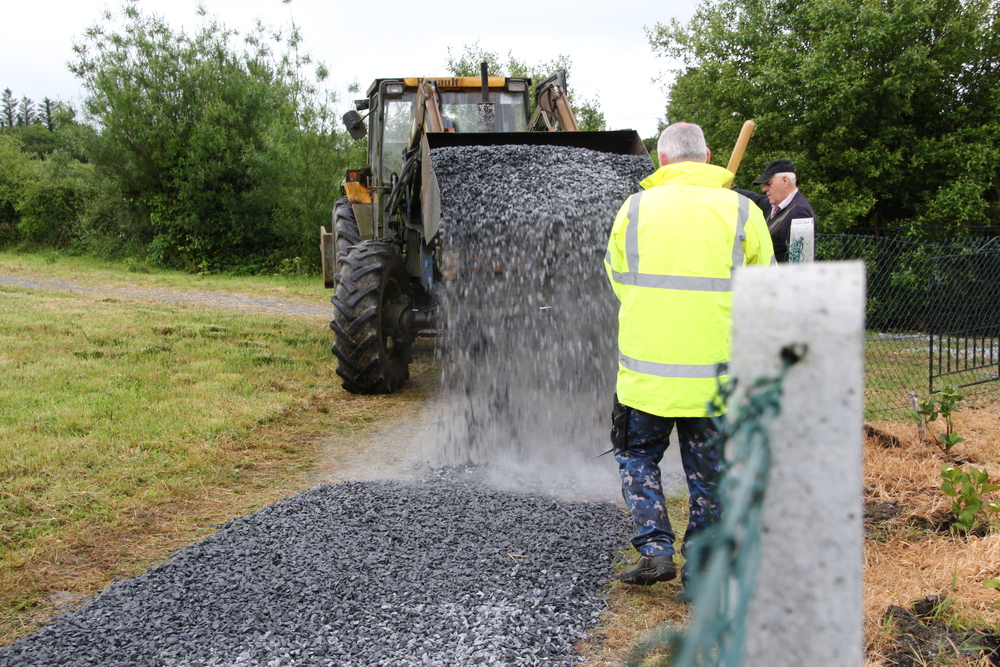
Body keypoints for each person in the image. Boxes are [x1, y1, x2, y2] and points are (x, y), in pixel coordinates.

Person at [604, 122, 774, 590]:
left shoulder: (633, 210)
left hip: (646, 375)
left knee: (637, 457)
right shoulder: (742, 211)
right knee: (711, 473)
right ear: (708, 156)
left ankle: (655, 550)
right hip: (718, 376)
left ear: (661, 160)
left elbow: (619, 282)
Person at [735, 158, 816, 262]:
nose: (764, 189)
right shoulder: (775, 205)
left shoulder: (799, 213)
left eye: (769, 184)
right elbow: (755, 198)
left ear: (785, 181)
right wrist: (727, 189)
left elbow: (801, 264)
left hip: (781, 277)